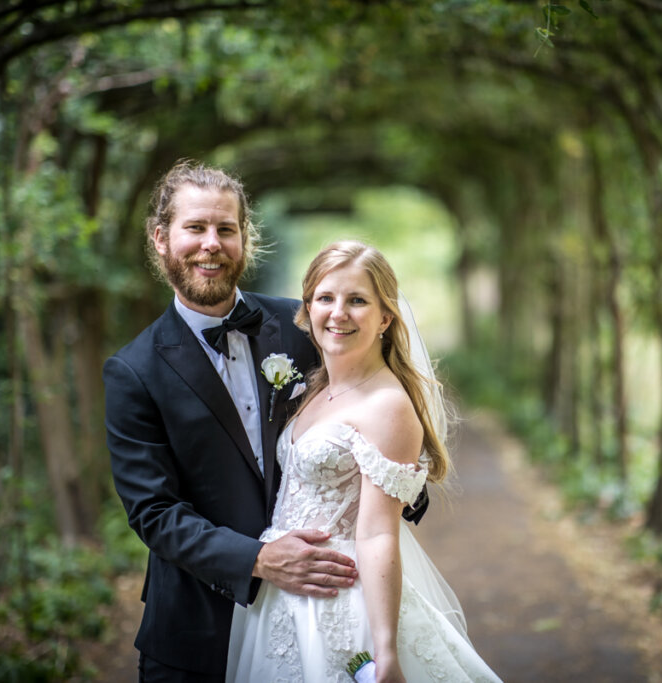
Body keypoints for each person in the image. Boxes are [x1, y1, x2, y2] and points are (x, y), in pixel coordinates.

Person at [104, 161, 426, 681]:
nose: (212, 243)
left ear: (244, 239)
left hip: (325, 610)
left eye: (226, 229)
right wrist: (258, 558)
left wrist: (389, 476)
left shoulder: (306, 326)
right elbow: (154, 512)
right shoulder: (132, 372)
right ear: (161, 239)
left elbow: (366, 414)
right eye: (196, 228)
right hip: (195, 625)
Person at [226, 240, 501, 682]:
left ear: (385, 318)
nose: (339, 313)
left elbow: (375, 533)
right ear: (308, 309)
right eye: (326, 298)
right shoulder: (317, 386)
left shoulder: (387, 406)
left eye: (357, 300)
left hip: (339, 599)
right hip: (281, 592)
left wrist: (385, 650)